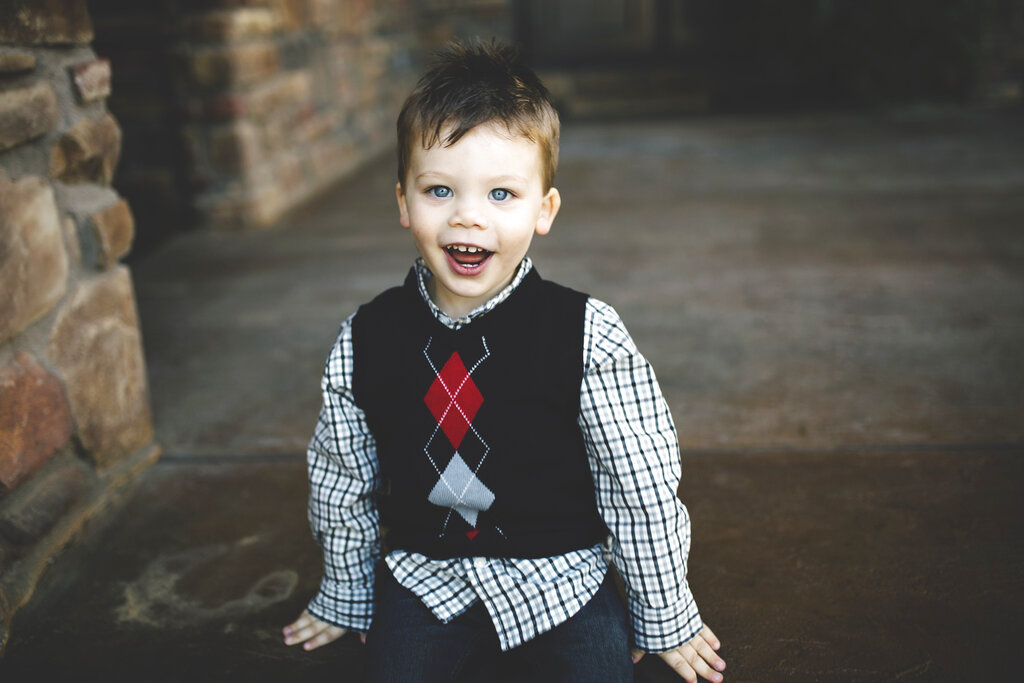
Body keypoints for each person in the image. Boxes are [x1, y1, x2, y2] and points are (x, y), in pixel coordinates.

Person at [282, 40, 726, 683]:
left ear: (543, 210)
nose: (467, 215)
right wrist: (346, 594)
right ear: (403, 202)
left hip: (562, 573)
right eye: (439, 189)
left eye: (501, 194)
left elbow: (638, 484)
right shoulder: (366, 338)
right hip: (423, 575)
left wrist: (663, 611)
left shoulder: (586, 335)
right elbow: (340, 482)